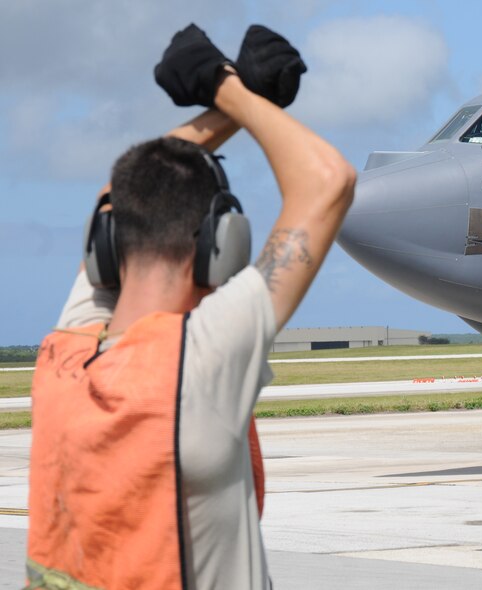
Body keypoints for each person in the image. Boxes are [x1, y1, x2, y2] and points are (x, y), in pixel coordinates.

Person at [25, 24, 355, 589]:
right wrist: (231, 91)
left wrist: (234, 98)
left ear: (108, 248)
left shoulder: (63, 360)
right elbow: (329, 181)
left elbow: (120, 196)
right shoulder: (200, 359)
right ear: (219, 247)